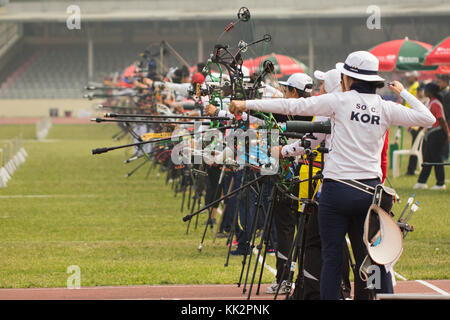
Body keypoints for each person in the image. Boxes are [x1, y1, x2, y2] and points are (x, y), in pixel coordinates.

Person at [229, 51, 435, 300]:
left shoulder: (338, 101)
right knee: (367, 260)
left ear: (348, 78)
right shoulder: (385, 107)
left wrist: (245, 104)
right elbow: (428, 117)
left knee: (331, 258)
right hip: (369, 193)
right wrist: (402, 91)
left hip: (336, 191)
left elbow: (291, 105)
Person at [414, 82, 449, 190]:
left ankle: (440, 183)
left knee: (437, 159)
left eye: (426, 89)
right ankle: (422, 182)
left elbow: (441, 119)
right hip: (431, 133)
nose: (424, 91)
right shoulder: (429, 102)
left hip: (437, 133)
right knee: (428, 158)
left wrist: (447, 133)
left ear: (430, 92)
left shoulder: (435, 103)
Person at [404, 71, 422, 175]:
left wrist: (411, 122)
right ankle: (412, 169)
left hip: (414, 121)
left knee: (415, 147)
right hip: (413, 120)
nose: (408, 78)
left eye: (409, 76)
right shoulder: (414, 86)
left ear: (414, 77)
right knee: (415, 146)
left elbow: (416, 104)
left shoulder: (415, 87)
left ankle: (411, 170)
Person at [436, 74, 450, 160]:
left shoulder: (447, 93)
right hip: (444, 120)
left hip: (447, 120)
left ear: (445, 82)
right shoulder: (442, 93)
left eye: (440, 82)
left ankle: (445, 156)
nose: (438, 84)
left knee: (446, 138)